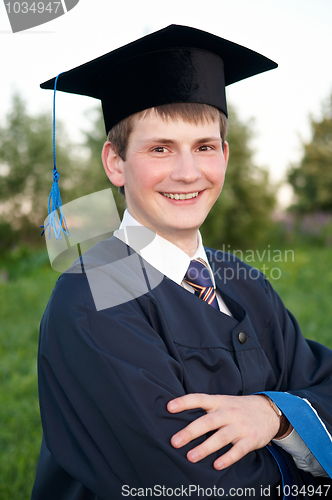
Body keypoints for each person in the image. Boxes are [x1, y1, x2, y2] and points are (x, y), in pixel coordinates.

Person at [32, 25, 332, 499]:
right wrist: (307, 451)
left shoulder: (245, 281)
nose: (188, 173)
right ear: (115, 162)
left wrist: (274, 416)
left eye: (204, 147)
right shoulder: (94, 294)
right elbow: (189, 481)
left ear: (225, 156)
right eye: (160, 148)